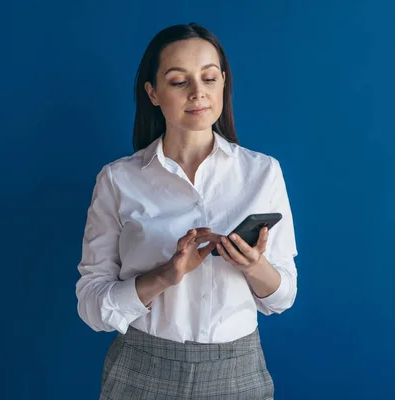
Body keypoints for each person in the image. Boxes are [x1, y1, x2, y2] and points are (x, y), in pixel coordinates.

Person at [76, 22, 298, 400]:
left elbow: (283, 296)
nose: (198, 93)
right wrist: (165, 275)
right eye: (179, 81)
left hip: (237, 371)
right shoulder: (117, 180)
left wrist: (252, 265)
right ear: (153, 92)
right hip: (140, 371)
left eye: (209, 78)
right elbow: (92, 307)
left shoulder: (263, 173)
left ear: (223, 83)